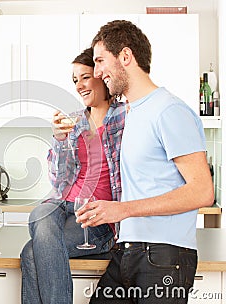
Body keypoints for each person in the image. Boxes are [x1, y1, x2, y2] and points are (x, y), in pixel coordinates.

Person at [76, 20, 215, 303]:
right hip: (128, 251)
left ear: (126, 56)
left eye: (101, 61)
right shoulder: (132, 112)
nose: (97, 71)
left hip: (165, 256)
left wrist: (122, 209)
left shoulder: (169, 110)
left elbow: (202, 191)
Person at [20, 47, 126, 304]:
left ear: (102, 75)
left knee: (31, 253)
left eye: (85, 77)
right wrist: (59, 139)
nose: (79, 85)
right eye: (75, 80)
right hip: (61, 204)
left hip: (96, 217)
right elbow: (59, 180)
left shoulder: (126, 117)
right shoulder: (75, 121)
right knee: (38, 214)